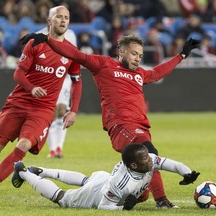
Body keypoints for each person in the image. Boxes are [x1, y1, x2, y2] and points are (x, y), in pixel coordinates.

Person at [19, 32, 199, 207]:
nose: (138, 58)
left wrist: (181, 55)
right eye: (134, 53)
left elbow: (158, 72)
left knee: (142, 194)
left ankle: (125, 197)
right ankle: (162, 201)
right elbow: (76, 54)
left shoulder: (139, 74)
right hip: (120, 124)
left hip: (140, 126)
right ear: (121, 52)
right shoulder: (104, 65)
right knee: (149, 152)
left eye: (140, 55)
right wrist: (49, 41)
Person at [0, 5, 82, 193]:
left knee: (24, 144)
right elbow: (18, 74)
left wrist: (74, 110)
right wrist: (32, 88)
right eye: (59, 17)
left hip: (43, 109)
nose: (63, 20)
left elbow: (77, 82)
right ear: (49, 21)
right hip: (18, 102)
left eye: (66, 18)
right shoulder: (35, 43)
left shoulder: (71, 52)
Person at [11, 144, 200, 210]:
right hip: (97, 193)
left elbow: (172, 164)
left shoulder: (147, 159)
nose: (151, 162)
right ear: (134, 165)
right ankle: (23, 172)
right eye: (145, 159)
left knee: (86, 178)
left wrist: (186, 172)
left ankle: (42, 171)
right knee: (61, 198)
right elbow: (104, 206)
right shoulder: (122, 184)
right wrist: (124, 208)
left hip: (105, 179)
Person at [37, 25, 77, 158]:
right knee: (52, 112)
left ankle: (59, 148)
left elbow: (74, 54)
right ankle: (52, 149)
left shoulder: (70, 34)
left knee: (62, 110)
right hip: (48, 77)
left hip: (64, 76)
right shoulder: (39, 34)